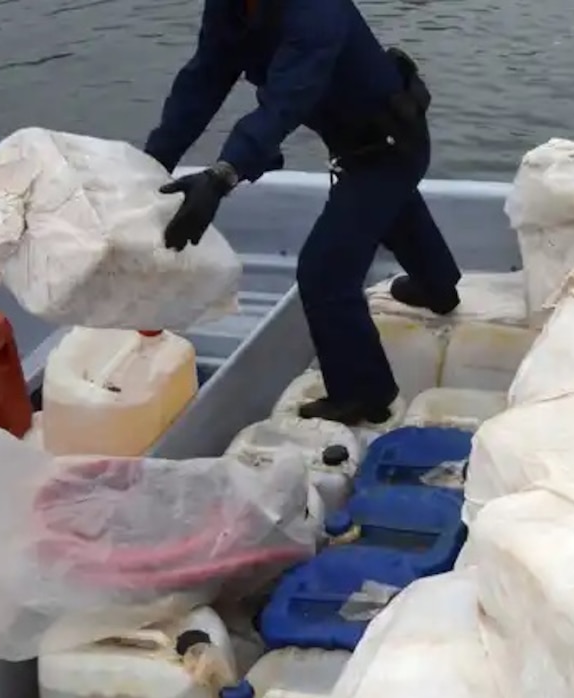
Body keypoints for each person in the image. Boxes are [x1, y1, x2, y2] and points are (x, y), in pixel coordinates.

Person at [144, 0, 462, 425]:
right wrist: (152, 162)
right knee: (395, 210)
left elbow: (285, 102)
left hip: (391, 143)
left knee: (324, 271)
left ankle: (363, 394)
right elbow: (203, 78)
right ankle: (439, 288)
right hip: (356, 144)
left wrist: (222, 176)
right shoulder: (229, 7)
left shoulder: (316, 11)